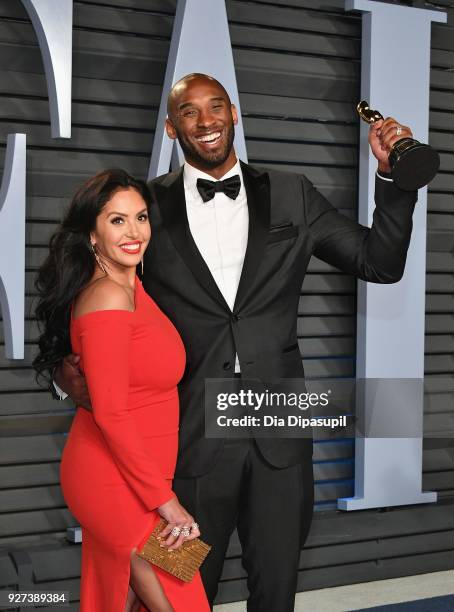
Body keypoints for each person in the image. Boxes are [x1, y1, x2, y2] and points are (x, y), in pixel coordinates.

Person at [55, 74, 418, 611]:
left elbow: (379, 263)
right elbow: (92, 303)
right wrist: (72, 372)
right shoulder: (144, 208)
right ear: (172, 127)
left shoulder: (293, 192)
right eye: (190, 112)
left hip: (279, 430)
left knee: (276, 590)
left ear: (235, 114)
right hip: (187, 444)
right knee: (179, 592)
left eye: (216, 107)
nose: (206, 121)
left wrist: (394, 179)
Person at [33, 169, 210, 612]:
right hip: (113, 482)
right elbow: (111, 413)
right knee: (184, 602)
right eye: (117, 220)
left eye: (141, 217)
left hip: (143, 477)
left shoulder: (135, 289)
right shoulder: (107, 297)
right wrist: (167, 504)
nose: (134, 232)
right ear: (92, 232)